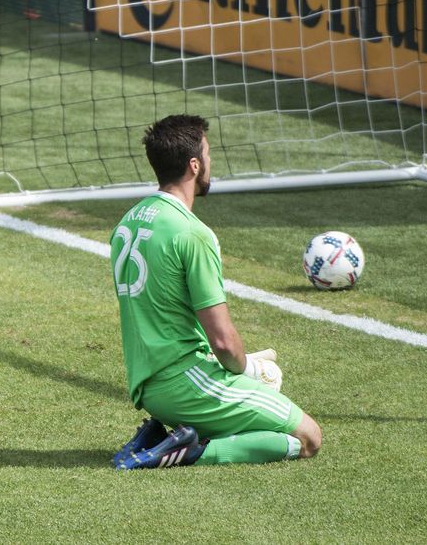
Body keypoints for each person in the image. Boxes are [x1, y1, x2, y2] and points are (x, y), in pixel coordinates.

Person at [110, 114, 322, 469]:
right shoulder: (192, 234)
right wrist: (249, 368)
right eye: (208, 154)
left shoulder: (128, 220)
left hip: (148, 386)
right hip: (187, 385)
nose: (211, 162)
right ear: (194, 165)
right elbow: (222, 342)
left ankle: (163, 437)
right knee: (308, 438)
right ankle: (185, 452)